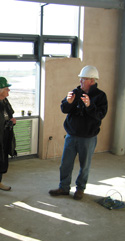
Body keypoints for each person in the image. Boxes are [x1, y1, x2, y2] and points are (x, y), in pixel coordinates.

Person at [49, 65, 108, 200]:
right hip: (71, 135)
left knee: (84, 165)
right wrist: (68, 102)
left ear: (92, 81)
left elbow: (100, 115)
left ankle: (80, 189)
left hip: (88, 138)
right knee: (65, 164)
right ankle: (64, 187)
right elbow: (64, 109)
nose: (80, 81)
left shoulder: (100, 96)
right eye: (80, 79)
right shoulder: (75, 92)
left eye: (83, 79)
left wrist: (89, 106)